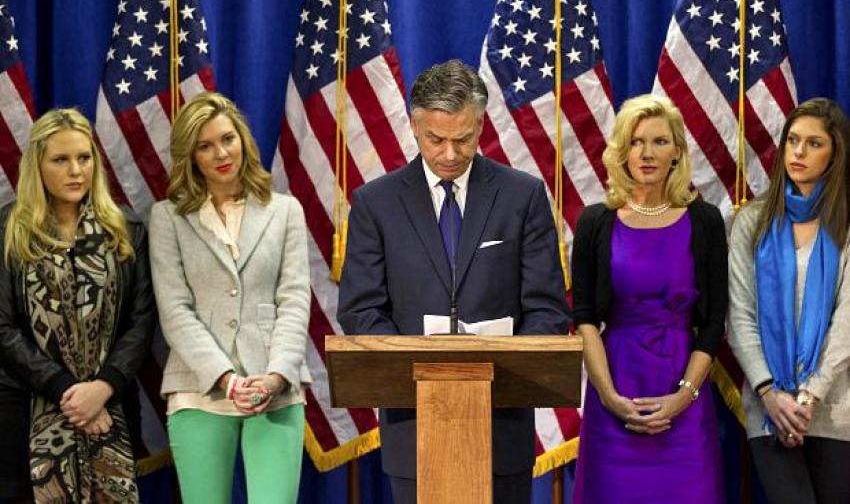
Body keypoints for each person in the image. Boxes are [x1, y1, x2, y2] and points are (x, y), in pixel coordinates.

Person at [337, 59, 570, 504]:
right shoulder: (375, 204)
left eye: (462, 140)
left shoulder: (522, 196)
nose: (448, 154)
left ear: (481, 124)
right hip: (415, 427)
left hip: (500, 424)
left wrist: (501, 368)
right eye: (435, 139)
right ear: (414, 126)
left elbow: (547, 308)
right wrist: (422, 369)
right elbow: (361, 309)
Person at [149, 92, 311, 503]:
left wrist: (275, 376)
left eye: (227, 138)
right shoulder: (167, 217)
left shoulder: (285, 210)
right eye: (205, 146)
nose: (221, 153)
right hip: (199, 389)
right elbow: (175, 311)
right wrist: (227, 378)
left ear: (243, 139)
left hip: (273, 389)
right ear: (191, 156)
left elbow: (293, 301)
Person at [571, 94, 726, 503]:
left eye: (659, 141)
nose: (647, 153)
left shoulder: (705, 220)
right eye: (636, 142)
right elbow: (584, 316)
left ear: (677, 151)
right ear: (621, 151)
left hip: (685, 398)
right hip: (615, 391)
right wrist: (608, 396)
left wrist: (682, 397)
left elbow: (713, 324)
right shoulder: (595, 222)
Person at [0, 108, 155, 502]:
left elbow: (141, 321)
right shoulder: (8, 230)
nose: (75, 171)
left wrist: (102, 388)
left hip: (111, 402)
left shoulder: (126, 229)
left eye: (84, 158)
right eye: (61, 160)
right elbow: (2, 328)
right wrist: (67, 390)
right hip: (24, 408)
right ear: (37, 165)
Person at [728, 98, 850, 504]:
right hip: (768, 409)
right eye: (792, 140)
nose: (798, 152)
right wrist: (769, 394)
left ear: (835, 154)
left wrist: (808, 397)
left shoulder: (845, 223)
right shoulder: (753, 220)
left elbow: (846, 321)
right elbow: (740, 316)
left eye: (814, 144)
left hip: (834, 410)